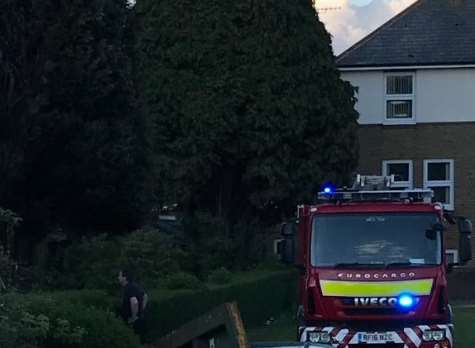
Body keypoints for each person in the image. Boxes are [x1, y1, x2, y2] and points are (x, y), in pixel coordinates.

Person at [118, 269, 148, 339]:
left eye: (119, 275)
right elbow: (145, 296)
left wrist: (134, 317)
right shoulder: (135, 285)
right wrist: (141, 310)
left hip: (131, 321)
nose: (118, 277)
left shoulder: (128, 288)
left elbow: (134, 302)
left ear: (124, 278)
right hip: (140, 319)